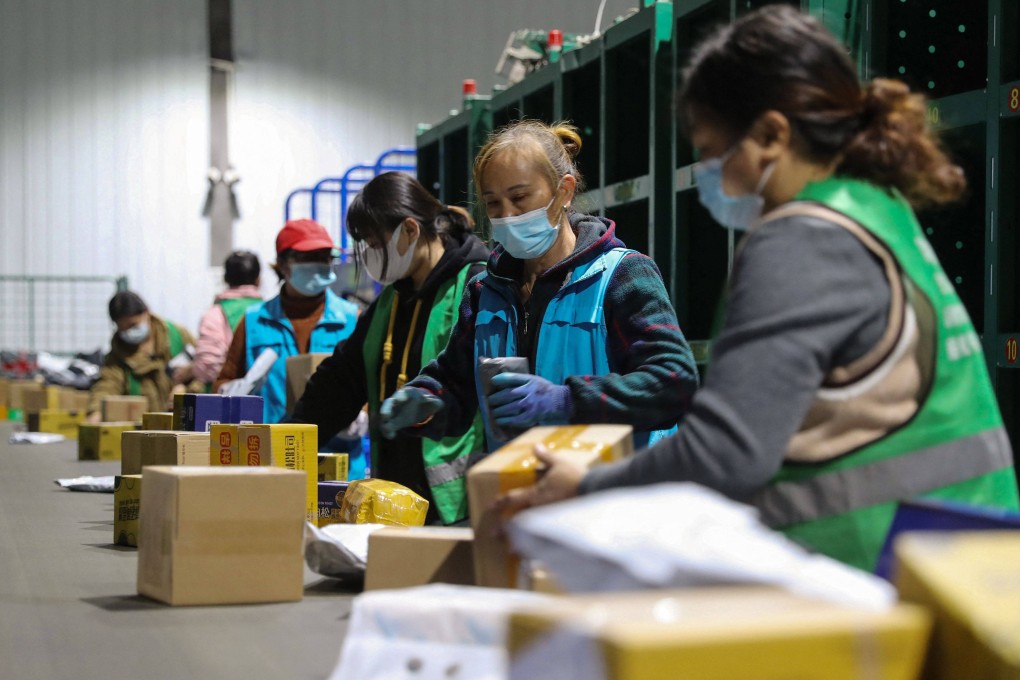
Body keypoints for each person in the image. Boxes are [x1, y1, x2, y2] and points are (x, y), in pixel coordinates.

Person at [501, 5, 1020, 571]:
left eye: (711, 153)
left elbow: (724, 454)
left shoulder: (800, 239)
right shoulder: (874, 205)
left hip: (885, 575)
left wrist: (586, 485)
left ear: (772, 135)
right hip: (965, 561)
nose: (709, 174)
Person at [378, 120, 699, 456]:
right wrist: (426, 399)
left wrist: (565, 400)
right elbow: (455, 384)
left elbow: (674, 383)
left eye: (519, 197)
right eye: (493, 203)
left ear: (565, 191)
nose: (507, 215)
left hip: (615, 486)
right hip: (525, 485)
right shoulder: (484, 293)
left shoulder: (620, 276)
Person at [291, 172, 491, 524]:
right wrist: (288, 441)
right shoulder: (391, 301)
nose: (369, 255)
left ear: (410, 230)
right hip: (394, 500)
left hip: (455, 506)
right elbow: (340, 382)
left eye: (374, 243)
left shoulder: (476, 287)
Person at [214, 219, 359, 424]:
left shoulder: (352, 320)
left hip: (335, 442)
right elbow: (224, 380)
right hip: (271, 441)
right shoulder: (255, 321)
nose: (318, 264)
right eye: (308, 258)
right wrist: (231, 393)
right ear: (283, 265)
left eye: (324, 257)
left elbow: (372, 383)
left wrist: (361, 415)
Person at [86, 290, 199, 419]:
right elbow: (107, 386)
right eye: (123, 329)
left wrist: (187, 392)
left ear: (146, 312)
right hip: (146, 425)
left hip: (186, 420)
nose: (129, 332)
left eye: (133, 325)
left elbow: (205, 371)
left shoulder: (177, 337)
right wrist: (96, 412)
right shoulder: (119, 355)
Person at [185, 250, 263, 387]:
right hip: (268, 395)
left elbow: (206, 367)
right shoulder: (271, 312)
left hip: (228, 395)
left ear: (225, 279)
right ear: (258, 279)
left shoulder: (215, 314)